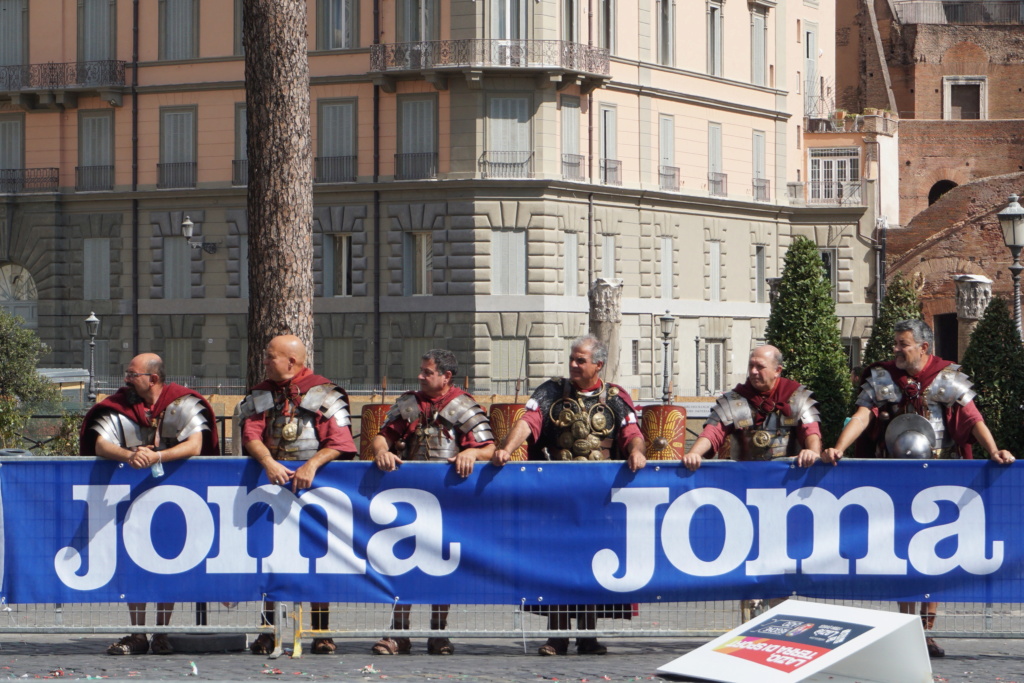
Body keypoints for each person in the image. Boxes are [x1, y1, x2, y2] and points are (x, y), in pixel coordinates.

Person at [822, 319, 1015, 658]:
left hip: (939, 477)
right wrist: (839, 447)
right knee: (901, 552)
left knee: (934, 554)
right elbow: (863, 415)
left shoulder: (947, 376)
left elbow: (972, 417)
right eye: (895, 343)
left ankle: (925, 630)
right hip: (894, 476)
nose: (895, 349)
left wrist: (994, 449)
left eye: (902, 344)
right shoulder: (883, 377)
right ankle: (906, 627)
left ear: (924, 348)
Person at [493, 334, 646, 656]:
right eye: (572, 360)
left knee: (595, 563)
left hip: (599, 497)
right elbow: (529, 420)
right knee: (557, 562)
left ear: (598, 365)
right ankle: (557, 636)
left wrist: (636, 452)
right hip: (556, 495)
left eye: (581, 361)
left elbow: (632, 432)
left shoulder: (615, 397)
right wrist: (507, 448)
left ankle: (588, 635)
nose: (574, 366)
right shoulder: (551, 391)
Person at [80, 353, 219, 656]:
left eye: (132, 374)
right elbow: (101, 444)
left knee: (167, 562)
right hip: (130, 497)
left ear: (152, 378)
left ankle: (162, 632)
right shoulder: (119, 404)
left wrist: (156, 456)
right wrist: (130, 456)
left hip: (175, 496)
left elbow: (195, 445)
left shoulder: (182, 402)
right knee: (134, 563)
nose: (126, 379)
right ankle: (138, 632)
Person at [369, 349, 495, 656]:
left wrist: (470, 453)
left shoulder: (464, 406)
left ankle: (439, 632)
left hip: (448, 501)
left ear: (446, 376)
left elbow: (490, 449)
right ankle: (398, 633)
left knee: (442, 565)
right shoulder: (408, 403)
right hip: (409, 499)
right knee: (400, 564)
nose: (421, 376)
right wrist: (381, 451)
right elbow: (381, 436)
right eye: (422, 371)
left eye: (427, 372)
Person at [239, 335, 357, 656]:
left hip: (314, 490)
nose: (265, 361)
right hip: (272, 487)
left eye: (270, 357)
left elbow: (341, 442)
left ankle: (320, 631)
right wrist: (268, 462)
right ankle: (268, 630)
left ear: (291, 361)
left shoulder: (324, 393)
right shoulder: (261, 393)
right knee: (269, 558)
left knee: (316, 558)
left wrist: (312, 465)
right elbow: (251, 434)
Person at [681, 345, 822, 470]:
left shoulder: (798, 397)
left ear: (777, 370)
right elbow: (712, 432)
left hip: (787, 478)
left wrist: (813, 453)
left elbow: (811, 431)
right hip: (744, 478)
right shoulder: (733, 400)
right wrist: (694, 453)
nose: (753, 371)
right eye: (751, 366)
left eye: (760, 367)